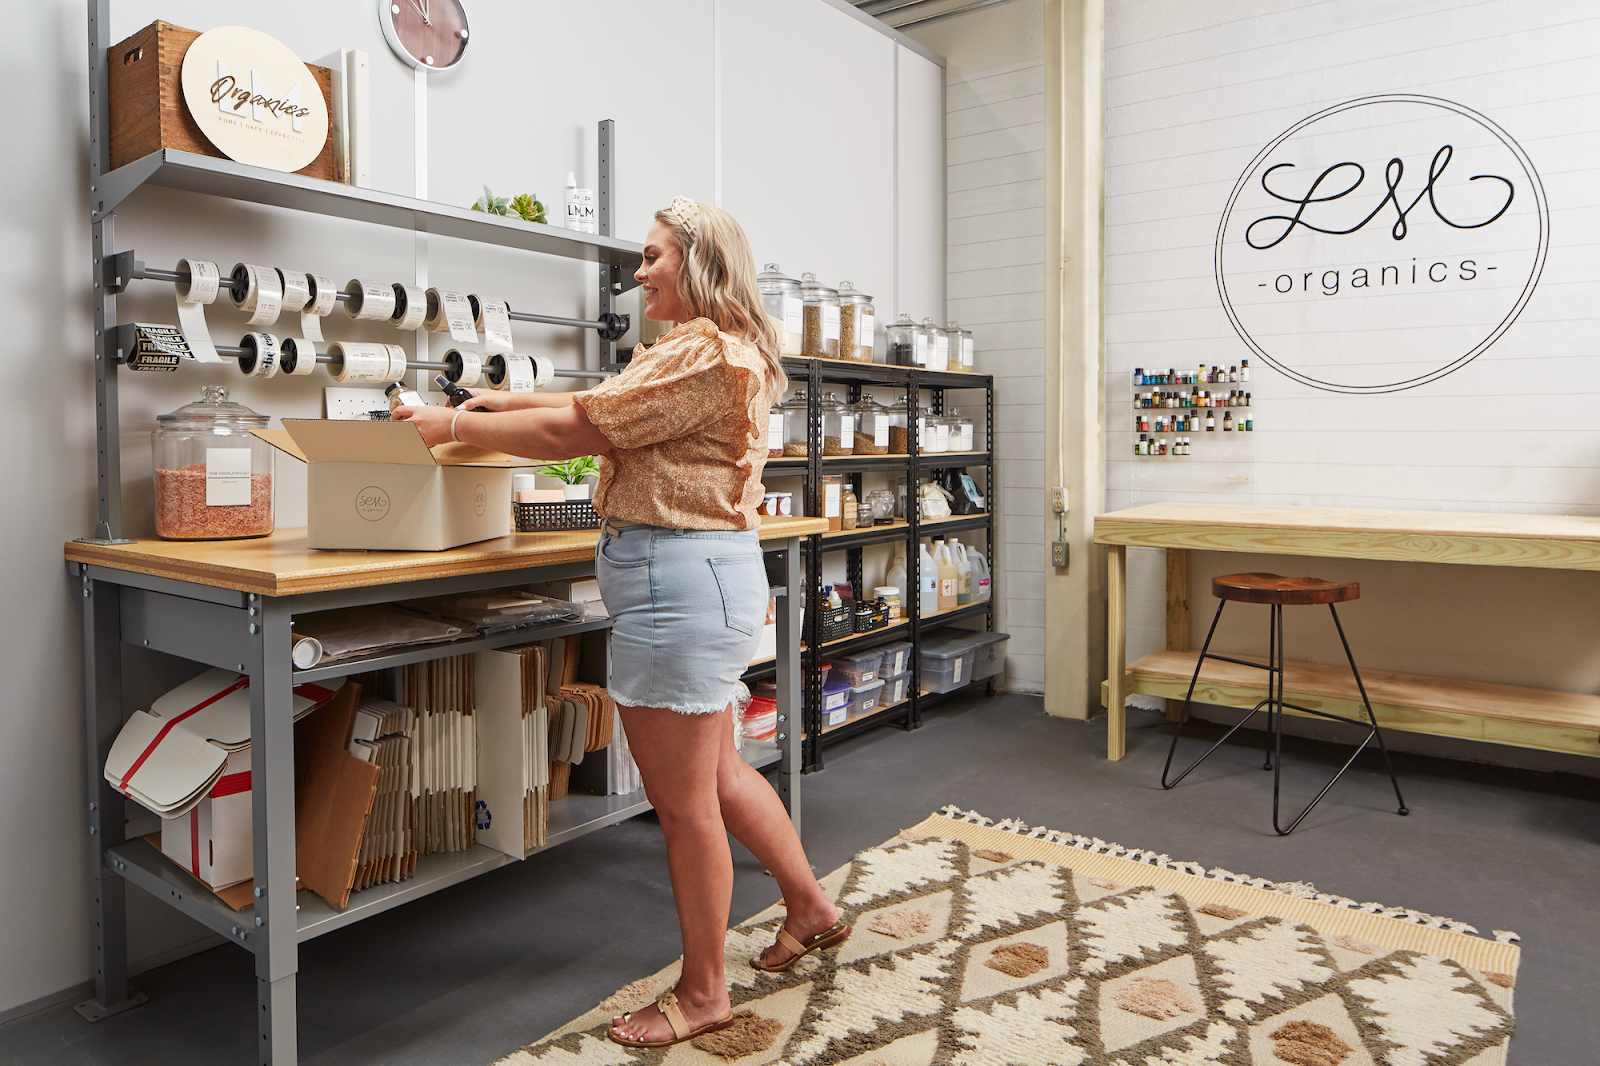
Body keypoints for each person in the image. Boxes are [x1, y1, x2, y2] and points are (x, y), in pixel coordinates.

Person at [394, 197, 849, 1050]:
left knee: (684, 809)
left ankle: (706, 993)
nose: (638, 273)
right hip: (701, 577)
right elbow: (608, 403)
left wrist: (451, 424)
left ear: (700, 263)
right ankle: (812, 908)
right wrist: (499, 400)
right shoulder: (708, 347)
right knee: (718, 777)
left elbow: (582, 425)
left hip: (677, 585)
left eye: (652, 257)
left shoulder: (701, 350)